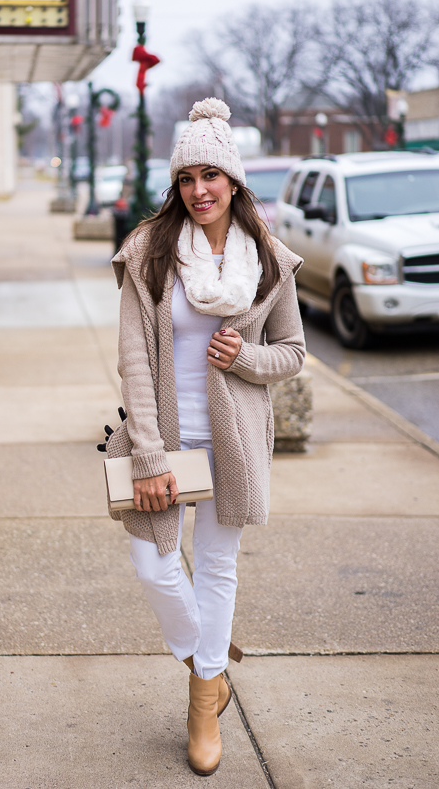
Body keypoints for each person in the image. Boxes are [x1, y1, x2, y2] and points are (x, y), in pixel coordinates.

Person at [106, 98, 305, 776]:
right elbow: (134, 359)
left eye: (209, 177)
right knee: (154, 565)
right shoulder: (149, 252)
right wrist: (148, 453)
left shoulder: (269, 261)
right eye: (186, 179)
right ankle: (210, 668)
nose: (198, 191)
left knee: (216, 567)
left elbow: (293, 354)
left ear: (234, 183)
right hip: (165, 439)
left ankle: (200, 705)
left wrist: (242, 358)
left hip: (233, 441)